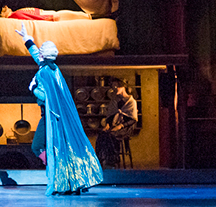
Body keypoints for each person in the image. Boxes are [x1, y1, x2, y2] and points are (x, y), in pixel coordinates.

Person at [17, 23, 102, 195]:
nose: (38, 52)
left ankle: (57, 173)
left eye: (40, 50)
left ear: (44, 55)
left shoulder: (43, 73)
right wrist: (27, 40)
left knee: (37, 146)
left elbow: (46, 96)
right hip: (58, 116)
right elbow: (37, 58)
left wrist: (33, 88)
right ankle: (70, 178)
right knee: (64, 147)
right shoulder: (52, 69)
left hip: (50, 117)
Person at [95, 78, 138, 167]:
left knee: (112, 135)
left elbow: (133, 119)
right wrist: (107, 125)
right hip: (114, 124)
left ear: (122, 87)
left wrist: (121, 126)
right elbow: (110, 115)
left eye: (116, 86)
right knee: (102, 134)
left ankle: (114, 158)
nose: (115, 89)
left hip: (125, 127)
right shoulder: (114, 101)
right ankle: (101, 158)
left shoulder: (131, 102)